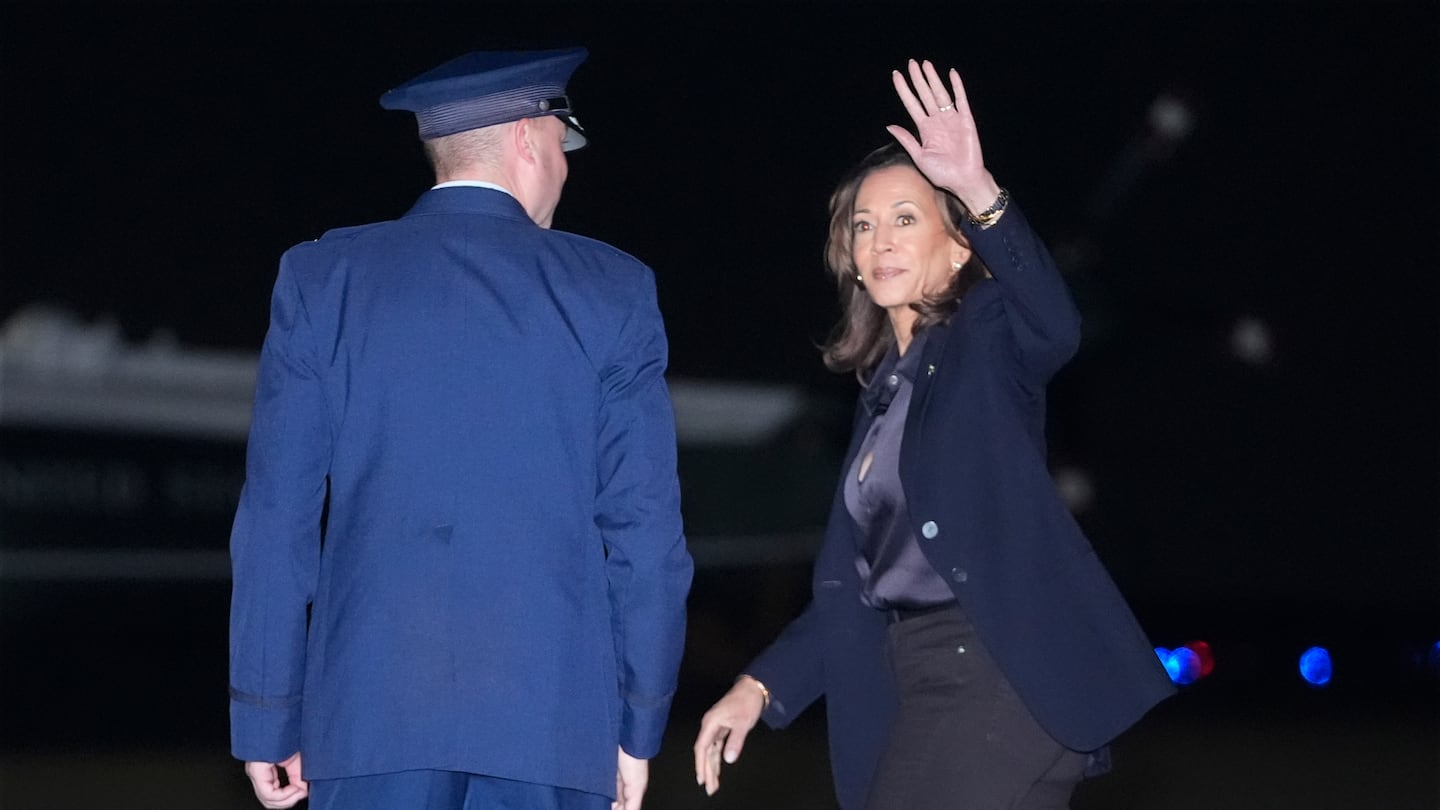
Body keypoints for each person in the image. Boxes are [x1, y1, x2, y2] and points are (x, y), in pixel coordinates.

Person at [693, 59, 1174, 810]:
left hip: (997, 676)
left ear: (958, 249)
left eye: (906, 218)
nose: (880, 239)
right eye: (864, 224)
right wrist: (757, 688)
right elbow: (852, 587)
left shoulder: (985, 340)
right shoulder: (880, 398)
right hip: (921, 681)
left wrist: (978, 191)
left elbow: (1055, 323)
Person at [229, 47, 693, 810]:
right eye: (562, 145)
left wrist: (266, 714)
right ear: (528, 139)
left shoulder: (322, 281)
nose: (566, 168)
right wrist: (637, 724)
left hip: (368, 721)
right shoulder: (612, 291)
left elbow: (276, 520)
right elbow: (646, 538)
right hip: (549, 726)